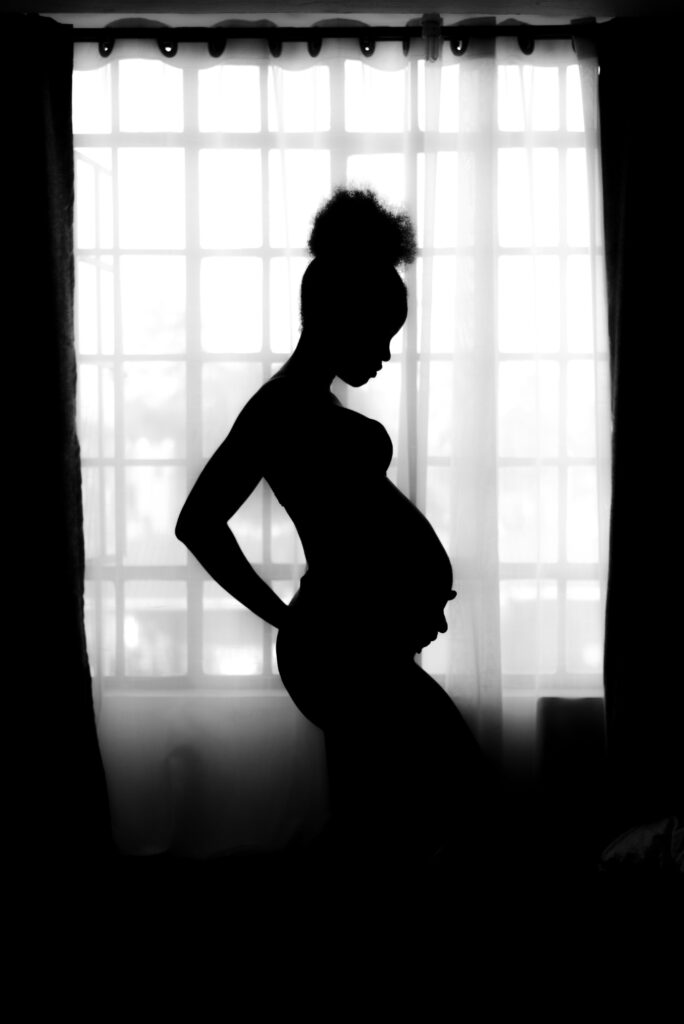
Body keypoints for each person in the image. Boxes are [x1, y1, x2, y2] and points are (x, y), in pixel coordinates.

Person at [175, 187, 493, 878]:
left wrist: (407, 603)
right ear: (333, 314)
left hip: (359, 642)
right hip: (337, 648)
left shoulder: (308, 404)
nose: (383, 352)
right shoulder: (278, 409)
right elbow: (197, 522)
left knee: (390, 808)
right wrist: (288, 617)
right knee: (445, 792)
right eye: (378, 331)